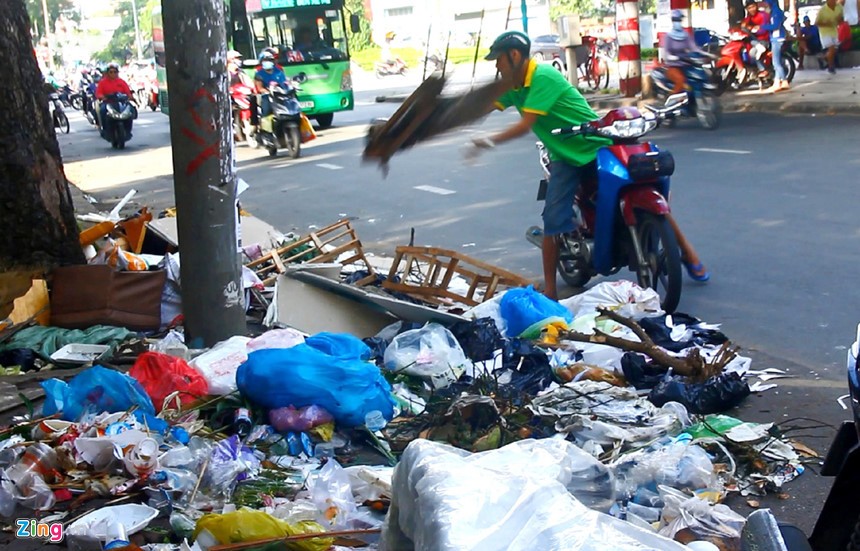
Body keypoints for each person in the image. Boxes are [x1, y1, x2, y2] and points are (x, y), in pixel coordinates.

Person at [468, 31, 709, 299]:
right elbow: (486, 105)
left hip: (595, 146)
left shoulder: (543, 77)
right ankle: (550, 290)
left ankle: (687, 252)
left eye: (498, 60)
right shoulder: (514, 87)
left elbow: (526, 125)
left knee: (647, 184)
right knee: (554, 220)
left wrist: (488, 141)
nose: (496, 66)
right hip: (565, 157)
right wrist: (451, 114)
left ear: (514, 56)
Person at [661, 10, 705, 94]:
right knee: (681, 80)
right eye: (675, 20)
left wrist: (705, 53)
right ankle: (673, 100)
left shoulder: (685, 35)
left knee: (695, 79)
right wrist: (671, 57)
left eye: (679, 20)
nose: (677, 22)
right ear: (672, 21)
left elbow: (693, 48)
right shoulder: (668, 36)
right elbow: (665, 53)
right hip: (673, 66)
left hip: (686, 64)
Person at [753, 0, 789, 92]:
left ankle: (784, 81)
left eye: (766, 3)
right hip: (775, 38)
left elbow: (776, 26)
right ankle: (777, 83)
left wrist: (762, 26)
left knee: (776, 63)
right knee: (777, 62)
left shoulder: (776, 12)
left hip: (777, 39)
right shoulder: (774, 11)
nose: (765, 5)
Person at [95, 62, 134, 136]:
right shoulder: (103, 83)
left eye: (115, 72)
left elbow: (128, 92)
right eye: (111, 72)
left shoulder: (121, 82)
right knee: (102, 110)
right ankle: (105, 130)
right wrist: (103, 97)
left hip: (121, 103)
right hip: (108, 103)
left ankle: (128, 130)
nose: (113, 74)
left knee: (131, 110)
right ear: (107, 73)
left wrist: (130, 96)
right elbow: (98, 93)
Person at [253, 51, 287, 120]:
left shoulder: (279, 71)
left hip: (280, 95)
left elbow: (284, 83)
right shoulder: (259, 74)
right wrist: (268, 91)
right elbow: (260, 88)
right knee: (266, 110)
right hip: (267, 96)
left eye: (270, 60)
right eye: (265, 60)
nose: (268, 62)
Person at [741, 0, 769, 73]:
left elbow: (763, 30)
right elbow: (743, 26)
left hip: (764, 40)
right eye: (749, 8)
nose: (752, 9)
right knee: (751, 53)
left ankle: (763, 70)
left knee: (753, 52)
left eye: (753, 6)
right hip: (756, 42)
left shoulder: (763, 15)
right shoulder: (749, 18)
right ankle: (761, 70)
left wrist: (752, 28)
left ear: (756, 6)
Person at [816, 0, 844, 74]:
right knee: (831, 48)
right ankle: (831, 67)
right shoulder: (822, 10)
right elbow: (817, 22)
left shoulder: (839, 7)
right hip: (824, 32)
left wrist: (839, 21)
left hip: (834, 31)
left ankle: (823, 58)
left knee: (834, 50)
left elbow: (840, 18)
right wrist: (827, 23)